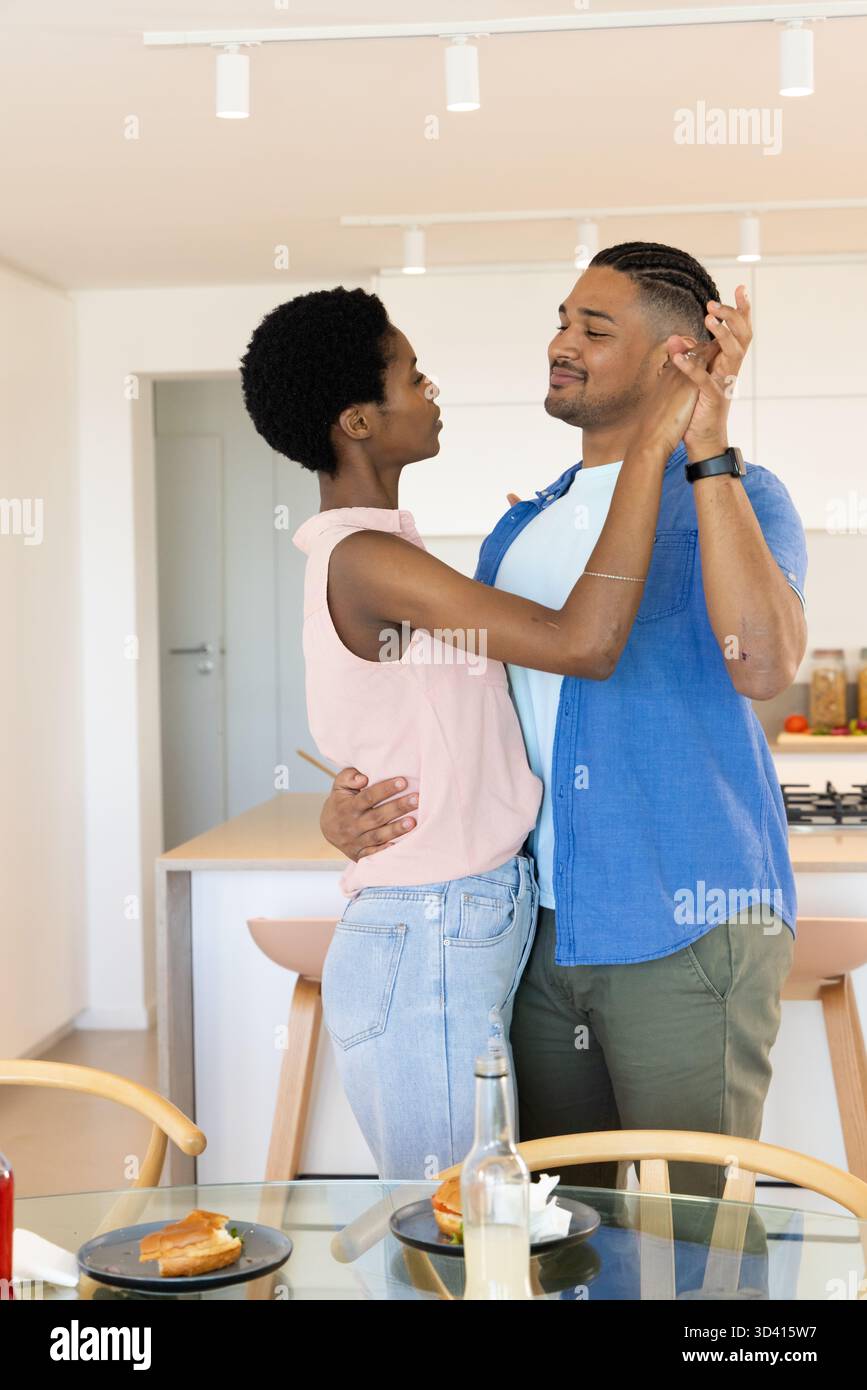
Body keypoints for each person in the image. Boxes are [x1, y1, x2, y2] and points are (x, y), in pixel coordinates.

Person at [318, 243, 808, 1198]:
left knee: (694, 1234)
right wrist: (345, 807)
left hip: (685, 920)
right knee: (554, 1223)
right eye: (560, 321)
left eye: (594, 328)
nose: (561, 343)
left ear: (676, 355)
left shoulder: (738, 493)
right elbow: (453, 709)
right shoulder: (520, 528)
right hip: (535, 931)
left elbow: (765, 665)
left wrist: (704, 445)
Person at [240, 282, 719, 1180]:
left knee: (475, 1226)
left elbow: (424, 732)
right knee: (449, 1232)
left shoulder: (390, 554)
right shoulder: (366, 560)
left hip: (456, 924)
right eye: (412, 378)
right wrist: (655, 439)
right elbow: (583, 642)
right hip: (425, 933)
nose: (431, 392)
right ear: (356, 421)